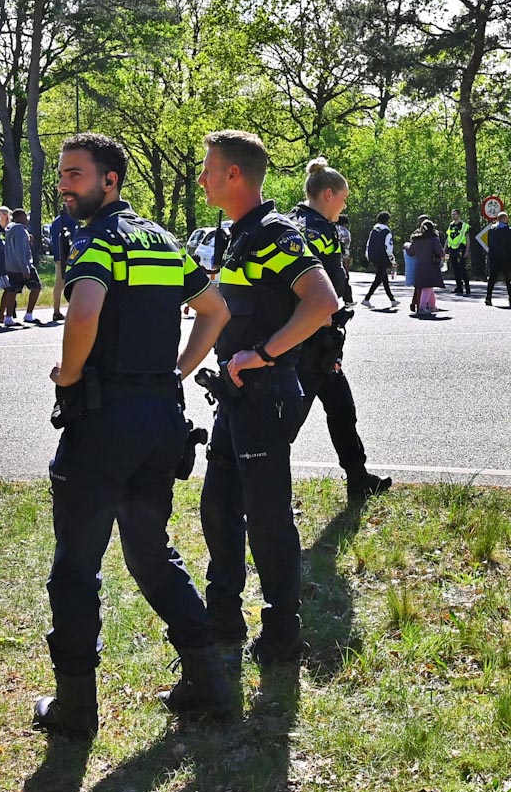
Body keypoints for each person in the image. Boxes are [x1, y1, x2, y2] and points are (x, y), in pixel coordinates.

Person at [30, 132, 236, 735]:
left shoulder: (99, 242)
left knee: (75, 567)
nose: (64, 185)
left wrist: (68, 374)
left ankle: (75, 708)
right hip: (158, 423)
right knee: (149, 553)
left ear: (109, 181)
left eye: (76, 175)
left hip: (102, 426)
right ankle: (210, 681)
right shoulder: (165, 241)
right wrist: (176, 371)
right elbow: (215, 310)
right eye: (63, 174)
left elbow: (86, 310)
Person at [197, 130, 342, 670]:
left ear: (234, 174)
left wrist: (260, 352)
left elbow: (321, 303)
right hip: (234, 398)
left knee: (266, 516)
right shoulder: (239, 234)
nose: (202, 177)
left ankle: (282, 632)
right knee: (217, 507)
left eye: (209, 168)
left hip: (264, 396)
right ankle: (223, 618)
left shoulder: (273, 232)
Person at [287, 158, 393, 504]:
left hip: (300, 338)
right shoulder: (322, 231)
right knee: (287, 425)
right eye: (344, 198)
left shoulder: (289, 223)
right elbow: (331, 288)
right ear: (328, 194)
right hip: (314, 342)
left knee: (342, 409)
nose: (345, 205)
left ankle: (359, 478)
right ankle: (255, 493)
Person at [5, 208, 43, 325]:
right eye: (24, 216)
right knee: (36, 287)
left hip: (10, 266)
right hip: (23, 265)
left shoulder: (10, 229)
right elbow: (20, 252)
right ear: (18, 218)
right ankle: (29, 314)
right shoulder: (20, 231)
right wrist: (25, 269)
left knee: (12, 291)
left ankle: (8, 317)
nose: (27, 219)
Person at [46, 205, 81, 325]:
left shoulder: (56, 221)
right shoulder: (72, 220)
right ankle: (72, 311)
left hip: (58, 255)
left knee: (59, 283)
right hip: (69, 256)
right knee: (74, 282)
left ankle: (56, 309)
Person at [407, 218, 446, 316]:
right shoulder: (434, 239)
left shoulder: (416, 239)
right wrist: (443, 257)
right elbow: (440, 252)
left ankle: (432, 306)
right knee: (427, 287)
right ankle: (422, 307)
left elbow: (411, 252)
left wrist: (406, 246)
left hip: (419, 266)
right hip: (431, 265)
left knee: (428, 286)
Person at [480, 212, 511, 307]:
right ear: (505, 219)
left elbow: (489, 243)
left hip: (493, 257)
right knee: (508, 278)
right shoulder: (508, 230)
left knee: (492, 277)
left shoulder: (492, 229)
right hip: (505, 257)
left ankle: (488, 297)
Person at [364, 212, 398, 310]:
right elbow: (388, 248)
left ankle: (392, 300)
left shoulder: (373, 230)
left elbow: (368, 244)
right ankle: (367, 298)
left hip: (373, 257)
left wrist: (368, 257)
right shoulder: (387, 232)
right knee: (378, 279)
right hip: (383, 258)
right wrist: (392, 260)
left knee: (384, 279)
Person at [445, 212, 471, 295]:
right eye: (452, 214)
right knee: (455, 269)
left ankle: (467, 288)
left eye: (455, 214)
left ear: (459, 215)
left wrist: (467, 251)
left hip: (461, 248)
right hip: (452, 249)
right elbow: (448, 238)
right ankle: (459, 287)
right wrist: (444, 248)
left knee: (462, 269)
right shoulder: (451, 225)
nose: (453, 216)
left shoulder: (464, 226)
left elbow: (467, 239)